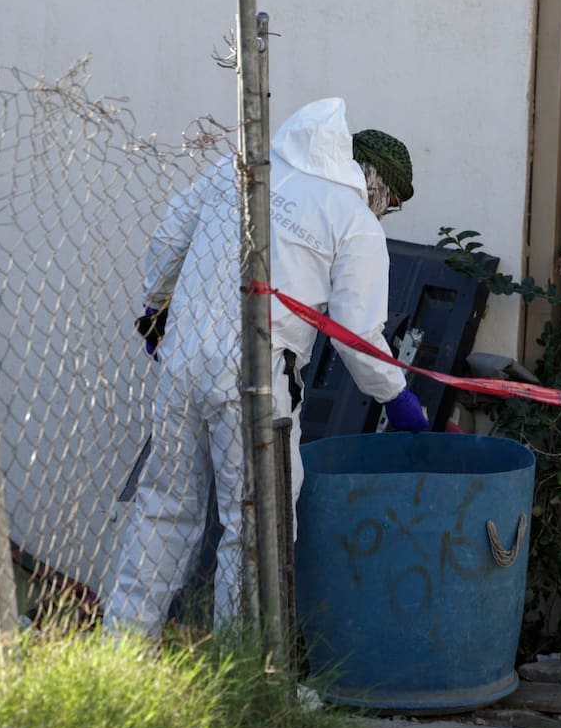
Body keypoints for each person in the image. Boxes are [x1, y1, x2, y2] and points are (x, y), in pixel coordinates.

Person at [105, 97, 427, 638]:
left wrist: (156, 310)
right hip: (255, 376)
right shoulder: (353, 220)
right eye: (389, 200)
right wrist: (395, 396)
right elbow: (357, 332)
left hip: (182, 361)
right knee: (254, 525)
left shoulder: (241, 166)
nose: (384, 210)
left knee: (164, 507)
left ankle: (122, 645)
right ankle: (245, 669)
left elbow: (169, 236)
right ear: (376, 184)